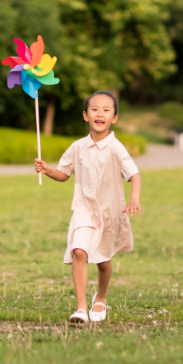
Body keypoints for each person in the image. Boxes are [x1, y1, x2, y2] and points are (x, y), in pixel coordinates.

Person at [35, 91, 142, 324]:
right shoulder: (77, 147)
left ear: (114, 117)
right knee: (79, 251)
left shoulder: (116, 148)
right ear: (85, 116)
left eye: (106, 110)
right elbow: (64, 174)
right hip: (84, 210)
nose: (100, 113)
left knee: (103, 262)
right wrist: (47, 170)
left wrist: (134, 198)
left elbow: (134, 174)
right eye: (94, 109)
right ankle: (81, 308)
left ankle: (101, 296)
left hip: (109, 213)